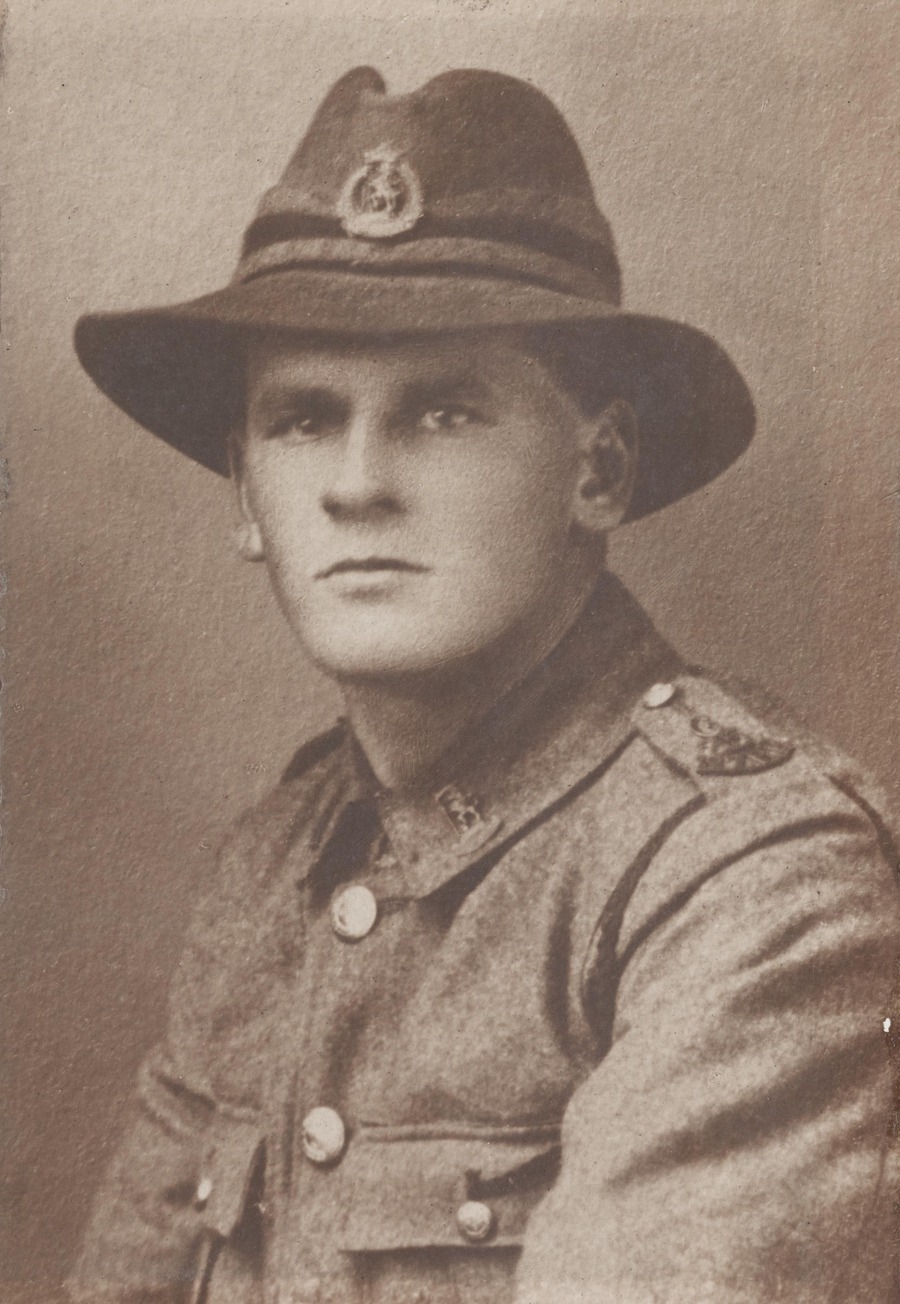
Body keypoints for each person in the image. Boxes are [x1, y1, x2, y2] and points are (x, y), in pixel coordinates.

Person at [67, 66, 899, 1304]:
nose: (356, 484)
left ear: (598, 468)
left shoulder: (755, 878)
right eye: (303, 418)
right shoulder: (274, 862)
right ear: (245, 492)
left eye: (444, 412)